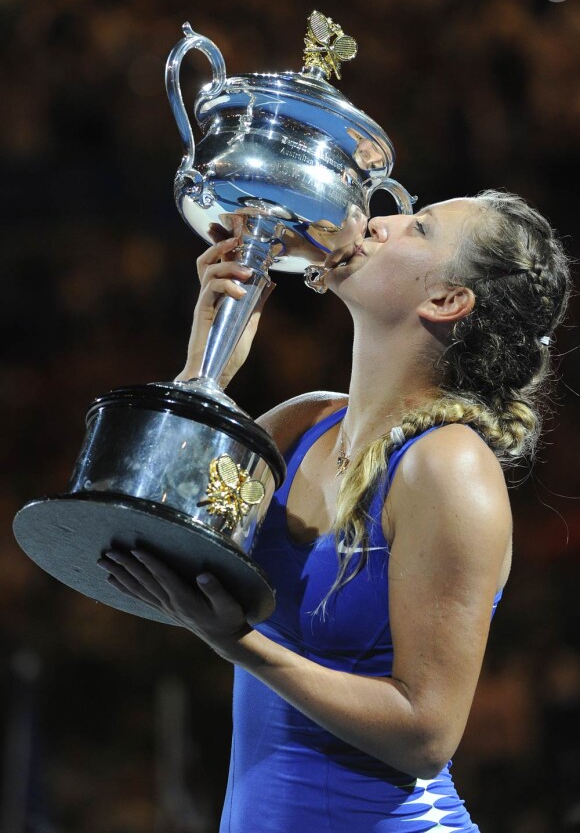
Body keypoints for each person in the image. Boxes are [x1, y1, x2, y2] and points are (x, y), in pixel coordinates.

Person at [98, 190, 571, 832]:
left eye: (420, 227)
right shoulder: (305, 423)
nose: (378, 220)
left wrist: (238, 643)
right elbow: (150, 534)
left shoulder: (449, 467)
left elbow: (427, 734)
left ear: (446, 301)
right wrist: (202, 373)